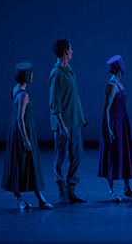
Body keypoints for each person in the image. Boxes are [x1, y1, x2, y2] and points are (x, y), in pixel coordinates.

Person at [2, 63, 53, 210]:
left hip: (15, 133)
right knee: (32, 166)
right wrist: (26, 140)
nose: (32, 76)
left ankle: (20, 199)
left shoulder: (15, 90)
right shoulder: (23, 95)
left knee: (18, 165)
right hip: (23, 133)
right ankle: (41, 200)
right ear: (27, 76)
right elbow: (20, 118)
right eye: (31, 74)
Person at [98, 55, 132, 201]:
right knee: (112, 155)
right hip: (114, 124)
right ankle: (111, 191)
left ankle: (127, 188)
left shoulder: (119, 83)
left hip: (122, 123)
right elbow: (107, 109)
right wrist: (108, 128)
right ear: (118, 68)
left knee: (124, 154)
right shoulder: (111, 85)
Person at [49, 39, 86, 204]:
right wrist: (62, 125)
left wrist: (80, 115)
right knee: (61, 156)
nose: (72, 52)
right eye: (70, 49)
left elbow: (74, 96)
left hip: (74, 119)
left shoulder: (69, 70)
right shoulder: (56, 73)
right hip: (63, 123)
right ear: (65, 52)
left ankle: (71, 188)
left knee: (77, 154)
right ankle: (62, 190)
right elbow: (55, 102)